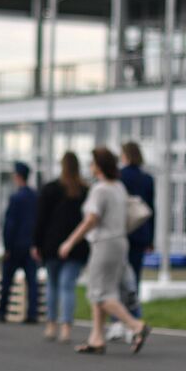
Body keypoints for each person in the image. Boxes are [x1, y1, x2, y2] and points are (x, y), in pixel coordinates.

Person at [59, 147, 151, 356]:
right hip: (119, 241)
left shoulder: (100, 190)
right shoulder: (118, 186)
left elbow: (91, 219)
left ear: (99, 166)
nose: (90, 167)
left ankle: (136, 325)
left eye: (92, 163)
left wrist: (70, 242)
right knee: (100, 290)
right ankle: (96, 338)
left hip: (104, 243)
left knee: (101, 294)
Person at [33, 152, 89, 345]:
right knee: (68, 286)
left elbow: (40, 219)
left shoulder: (50, 189)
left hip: (52, 244)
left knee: (53, 285)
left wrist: (36, 243)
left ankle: (51, 324)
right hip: (77, 245)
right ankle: (66, 327)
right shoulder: (84, 190)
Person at [0, 161, 40, 324]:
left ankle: (2, 311)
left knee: (7, 279)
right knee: (31, 281)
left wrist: (7, 247)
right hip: (30, 245)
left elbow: (10, 224)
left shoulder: (15, 198)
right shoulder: (35, 197)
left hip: (15, 246)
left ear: (18, 176)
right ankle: (32, 313)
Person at [119, 141, 155, 325]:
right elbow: (150, 210)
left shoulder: (119, 177)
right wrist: (151, 238)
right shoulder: (146, 178)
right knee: (135, 279)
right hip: (140, 232)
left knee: (118, 278)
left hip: (121, 232)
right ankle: (133, 318)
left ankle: (118, 320)